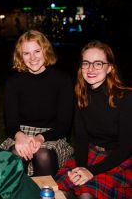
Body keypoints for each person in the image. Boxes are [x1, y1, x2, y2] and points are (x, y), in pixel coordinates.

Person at [55, 41, 132, 198]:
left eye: (98, 64)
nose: (90, 69)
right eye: (86, 63)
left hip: (118, 159)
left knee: (86, 194)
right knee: (56, 191)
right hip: (90, 154)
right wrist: (82, 168)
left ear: (109, 68)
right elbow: (81, 139)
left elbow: (126, 148)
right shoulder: (81, 96)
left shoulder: (126, 98)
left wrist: (91, 171)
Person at [0, 30, 74, 177]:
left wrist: (40, 138)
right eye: (26, 53)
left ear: (45, 51)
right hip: (21, 133)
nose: (32, 58)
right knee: (17, 153)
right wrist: (19, 136)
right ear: (20, 56)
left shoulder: (63, 81)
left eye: (37, 51)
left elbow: (64, 124)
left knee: (43, 155)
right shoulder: (13, 83)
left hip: (51, 136)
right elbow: (11, 122)